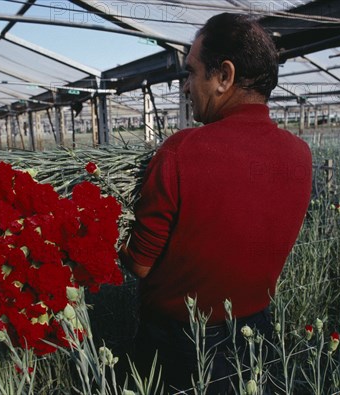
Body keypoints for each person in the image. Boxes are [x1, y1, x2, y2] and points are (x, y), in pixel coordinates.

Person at [118, 13, 312, 394]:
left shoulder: (181, 151)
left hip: (182, 348)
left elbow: (140, 264)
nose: (187, 88)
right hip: (257, 333)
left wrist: (109, 231)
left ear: (224, 76)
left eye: (191, 73)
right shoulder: (300, 155)